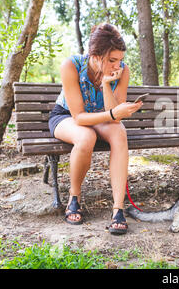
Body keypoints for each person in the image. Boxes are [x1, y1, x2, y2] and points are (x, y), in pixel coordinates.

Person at [48, 23, 142, 235]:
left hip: (101, 117)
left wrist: (107, 84)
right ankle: (75, 196)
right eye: (111, 60)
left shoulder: (122, 70)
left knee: (119, 133)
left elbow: (114, 115)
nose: (117, 65)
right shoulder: (71, 65)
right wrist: (112, 115)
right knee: (86, 136)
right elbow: (79, 117)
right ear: (95, 55)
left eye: (119, 59)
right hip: (67, 116)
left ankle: (118, 209)